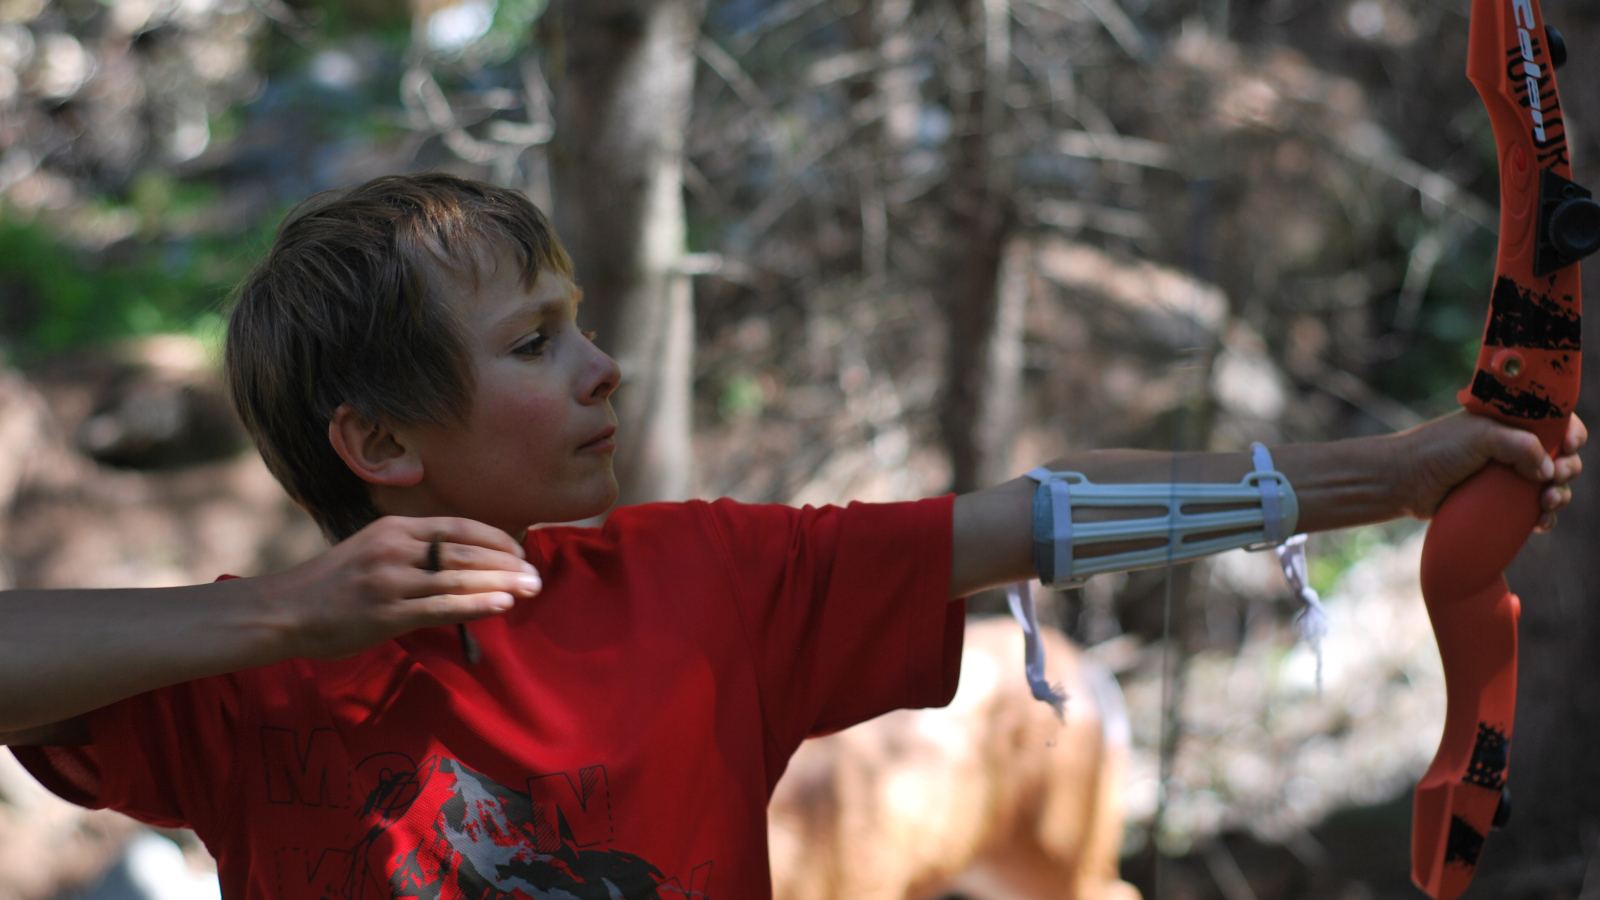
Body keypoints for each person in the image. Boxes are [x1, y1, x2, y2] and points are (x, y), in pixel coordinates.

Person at [0, 173, 1583, 900]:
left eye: (581, 325)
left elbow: (1037, 519)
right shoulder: (242, 675)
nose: (602, 365)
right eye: (537, 343)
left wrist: (1393, 472)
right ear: (383, 445)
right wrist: (283, 620)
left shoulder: (701, 582)